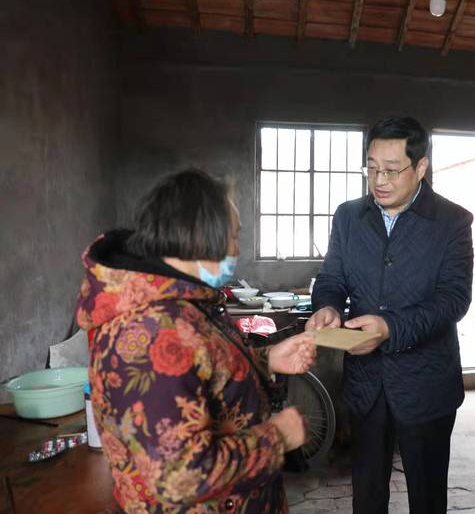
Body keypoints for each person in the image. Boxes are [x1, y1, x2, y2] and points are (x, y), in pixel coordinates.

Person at [76, 169, 317, 513]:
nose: (237, 249)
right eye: (234, 236)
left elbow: (201, 369)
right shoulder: (148, 332)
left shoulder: (181, 303)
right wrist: (278, 436)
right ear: (201, 236)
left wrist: (266, 360)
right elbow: (180, 476)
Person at [306, 117, 474, 513]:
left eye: (392, 169)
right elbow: (331, 278)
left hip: (426, 386)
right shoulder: (349, 217)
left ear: (420, 167)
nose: (379, 180)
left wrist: (390, 328)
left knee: (427, 499)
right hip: (366, 385)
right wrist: (327, 306)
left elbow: (453, 299)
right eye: (372, 168)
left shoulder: (452, 222)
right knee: (367, 497)